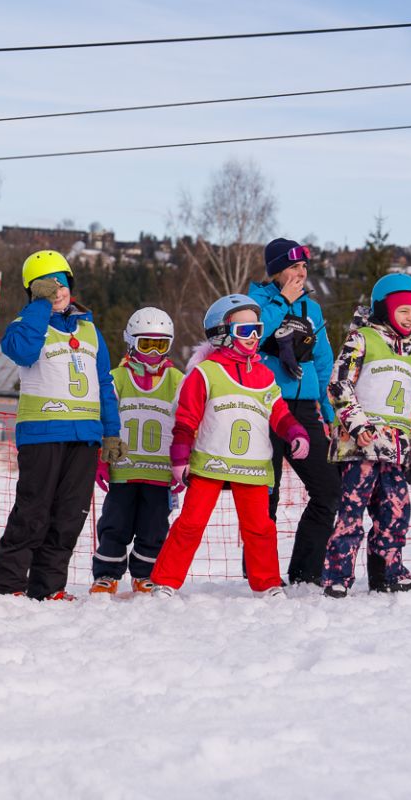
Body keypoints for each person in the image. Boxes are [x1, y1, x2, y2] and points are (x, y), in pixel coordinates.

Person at [148, 295, 309, 597]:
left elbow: (280, 414)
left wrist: (296, 433)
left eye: (257, 330)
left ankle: (267, 582)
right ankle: (165, 580)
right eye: (244, 330)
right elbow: (186, 420)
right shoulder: (206, 372)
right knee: (191, 523)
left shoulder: (265, 375)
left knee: (260, 528)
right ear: (222, 334)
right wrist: (180, 458)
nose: (253, 337)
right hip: (210, 463)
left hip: (252, 467)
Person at [0, 251, 124, 600]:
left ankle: (48, 587)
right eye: (47, 286)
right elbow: (22, 352)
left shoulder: (90, 331)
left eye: (61, 283)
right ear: (33, 291)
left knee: (69, 517)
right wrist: (39, 306)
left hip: (85, 437)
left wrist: (111, 431)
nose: (57, 290)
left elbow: (104, 383)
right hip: (42, 434)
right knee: (32, 513)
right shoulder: (26, 326)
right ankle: (8, 585)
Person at [322, 274, 411, 598]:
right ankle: (338, 576)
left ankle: (388, 573)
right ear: (384, 308)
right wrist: (358, 425)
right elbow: (339, 384)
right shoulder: (362, 339)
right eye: (403, 311)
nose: (410, 318)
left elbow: (410, 403)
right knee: (352, 512)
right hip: (361, 446)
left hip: (395, 449)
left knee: (396, 511)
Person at [247, 238, 343, 586]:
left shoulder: (311, 309)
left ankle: (306, 572)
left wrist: (330, 413)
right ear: (276, 271)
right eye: (293, 267)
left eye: (304, 267)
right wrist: (282, 302)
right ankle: (261, 573)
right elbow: (253, 337)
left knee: (329, 489)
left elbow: (324, 362)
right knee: (266, 495)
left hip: (303, 409)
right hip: (264, 405)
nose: (301, 273)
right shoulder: (255, 303)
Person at [89, 307, 183, 595]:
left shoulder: (178, 381)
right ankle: (107, 574)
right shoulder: (116, 378)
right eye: (146, 345)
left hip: (160, 472)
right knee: (114, 524)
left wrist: (183, 463)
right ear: (131, 342)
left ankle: (145, 574)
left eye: (160, 346)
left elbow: (188, 423)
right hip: (123, 470)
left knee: (154, 528)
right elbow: (102, 417)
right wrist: (100, 460)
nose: (153, 353)